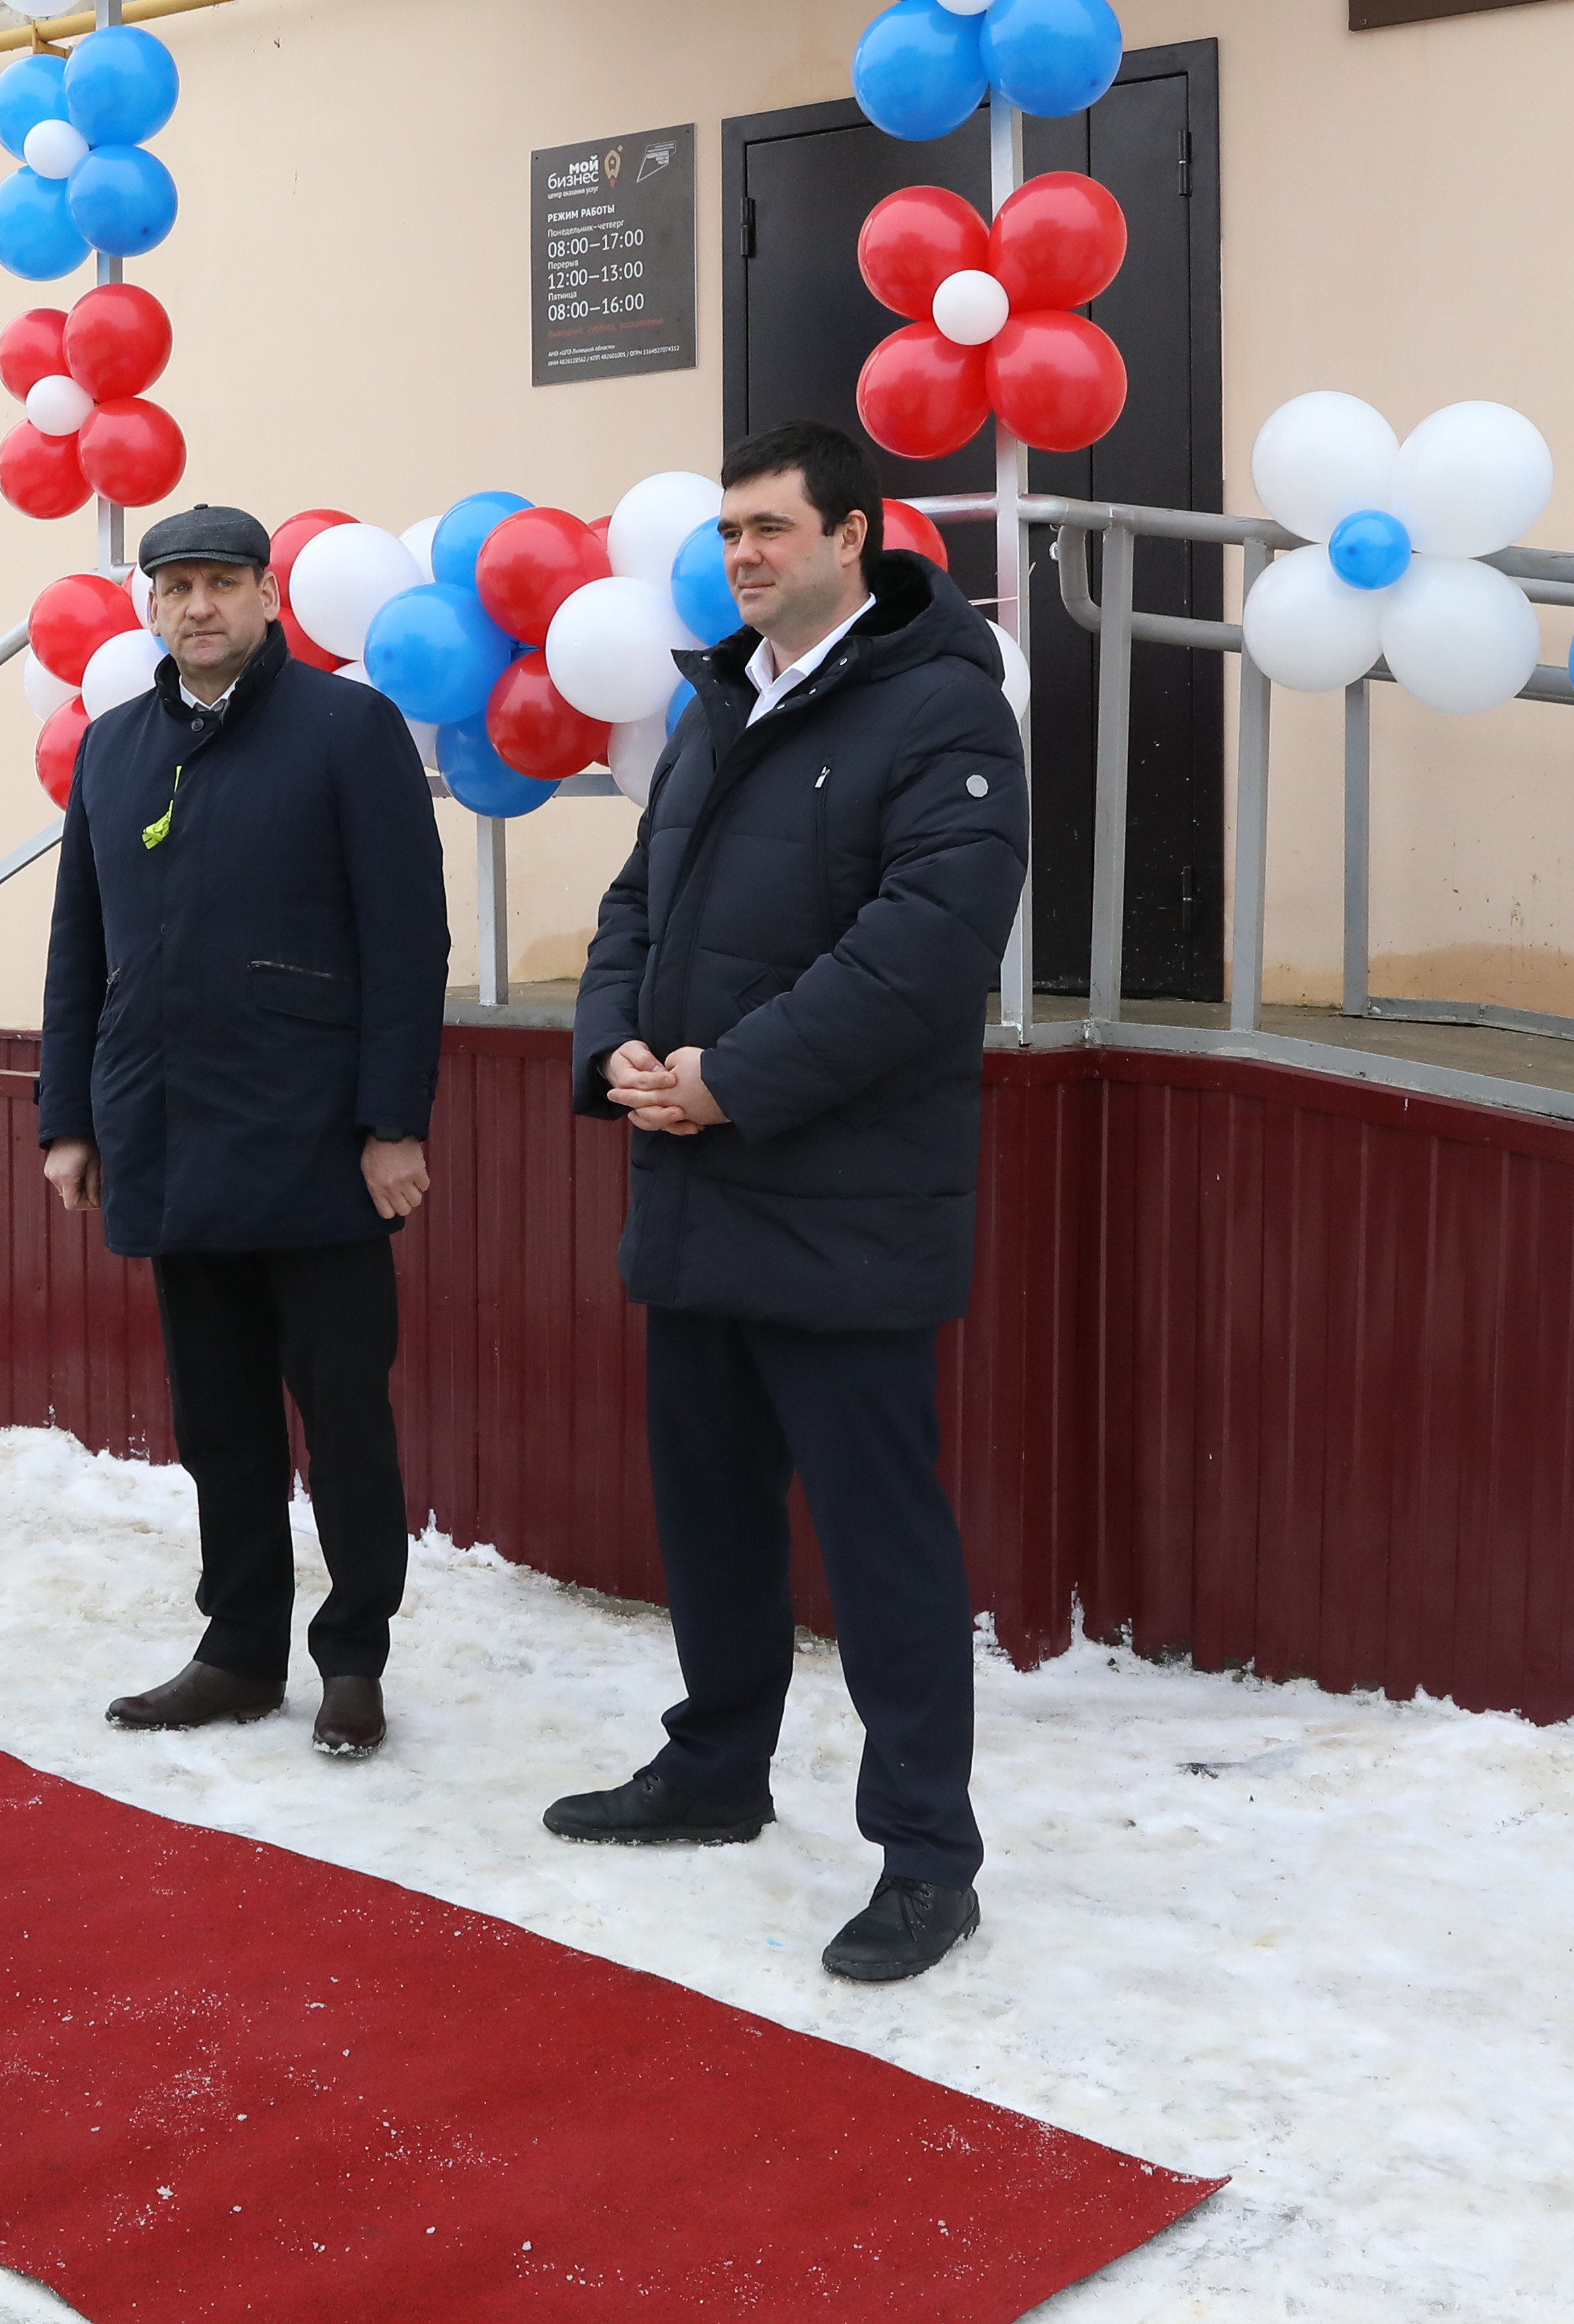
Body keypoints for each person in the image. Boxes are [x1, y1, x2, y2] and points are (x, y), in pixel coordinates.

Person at [548, 420, 1027, 1984]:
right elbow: (637, 904)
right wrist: (610, 1039)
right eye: (732, 532)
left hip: (840, 1199)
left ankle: (925, 1854)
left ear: (857, 535)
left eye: (772, 527)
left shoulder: (945, 708)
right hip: (697, 1182)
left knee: (883, 1540)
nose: (745, 554)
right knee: (710, 1509)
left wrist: (730, 1077)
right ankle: (716, 1764)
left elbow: (923, 948)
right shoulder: (718, 704)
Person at [37, 504, 447, 1758]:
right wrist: (69, 1117)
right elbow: (81, 948)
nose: (198, 606)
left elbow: (405, 937)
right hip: (167, 1136)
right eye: (175, 587)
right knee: (217, 1417)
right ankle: (238, 1650)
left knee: (344, 1415)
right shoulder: (113, 750)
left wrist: (392, 1123)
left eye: (221, 583)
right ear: (150, 606)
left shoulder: (347, 729)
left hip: (319, 1143)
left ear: (268, 597)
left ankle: (354, 1653)